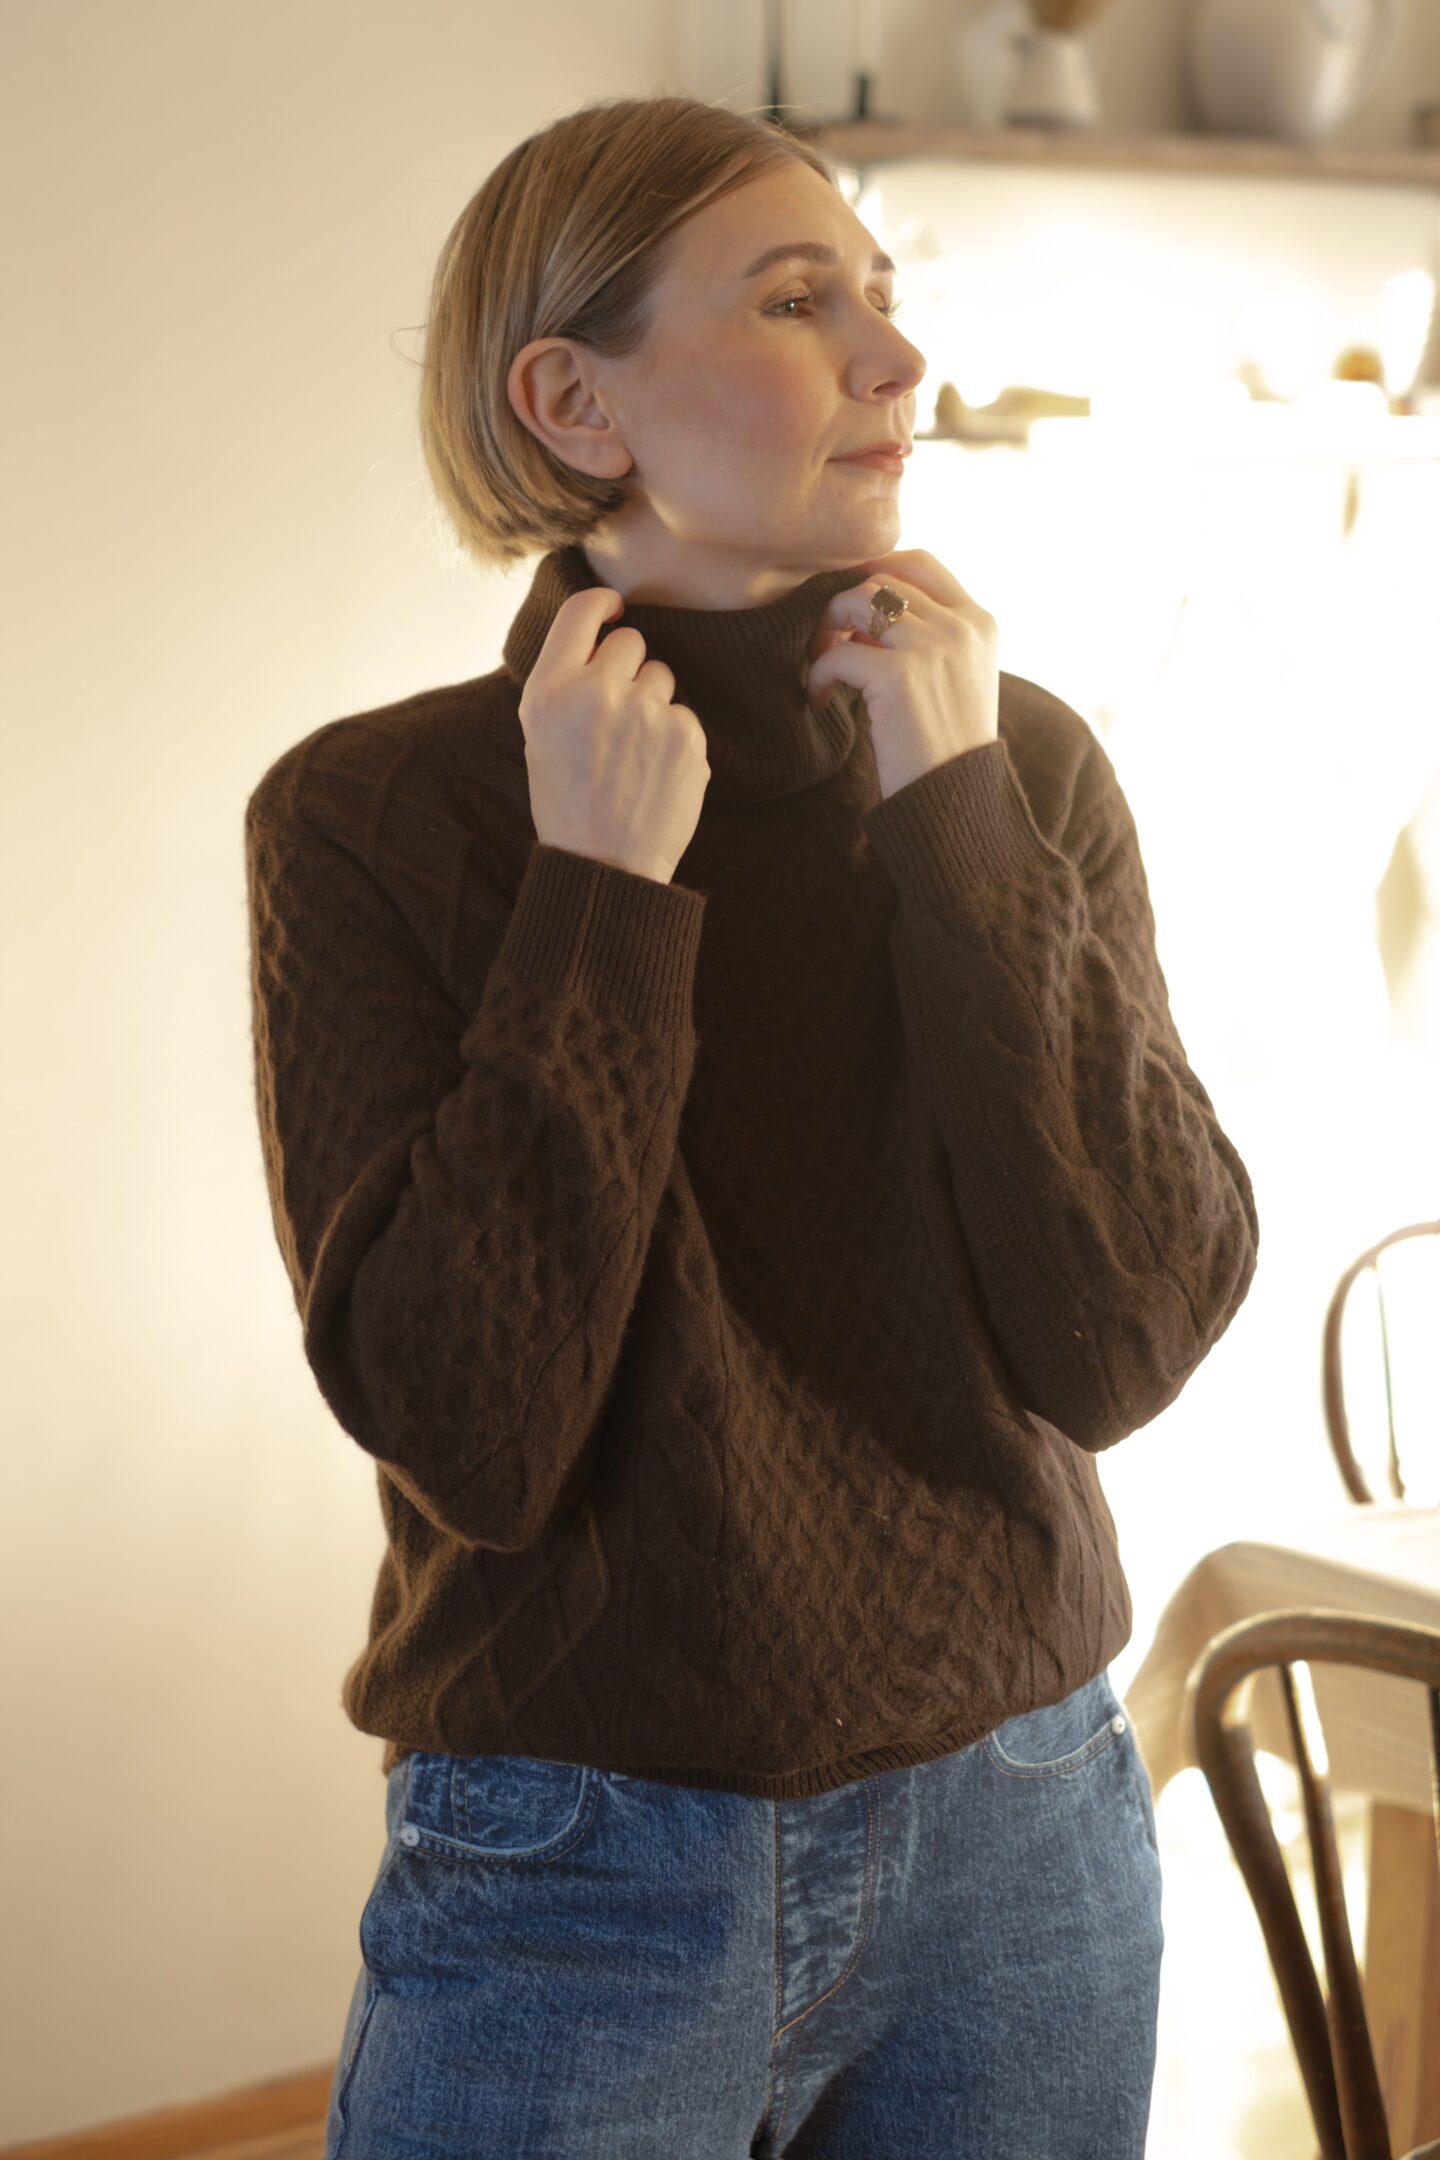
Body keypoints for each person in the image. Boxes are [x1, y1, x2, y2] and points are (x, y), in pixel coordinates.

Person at [243, 90, 1260, 2159]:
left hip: (1031, 1832)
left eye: (887, 302)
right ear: (572, 401)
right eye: (801, 303)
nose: (897, 363)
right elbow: (475, 1420)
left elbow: (1125, 1334)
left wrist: (960, 823)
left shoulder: (1007, 756)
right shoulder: (372, 819)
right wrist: (601, 906)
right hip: (585, 1865)